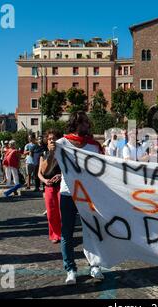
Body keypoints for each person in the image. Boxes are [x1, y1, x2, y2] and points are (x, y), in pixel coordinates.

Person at [58, 111, 105, 285]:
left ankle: (95, 265)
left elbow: (104, 169)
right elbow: (49, 168)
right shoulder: (61, 143)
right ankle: (70, 268)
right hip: (67, 194)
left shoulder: (94, 146)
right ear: (77, 123)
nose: (88, 125)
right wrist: (50, 153)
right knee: (67, 233)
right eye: (85, 122)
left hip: (88, 195)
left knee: (92, 231)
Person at [38, 129, 63, 244]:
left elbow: (68, 170)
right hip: (49, 186)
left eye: (54, 138)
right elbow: (40, 173)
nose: (52, 140)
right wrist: (45, 180)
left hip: (61, 186)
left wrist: (61, 175)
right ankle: (54, 234)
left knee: (62, 212)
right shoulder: (43, 155)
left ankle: (63, 234)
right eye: (49, 139)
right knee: (51, 213)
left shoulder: (63, 154)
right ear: (46, 141)